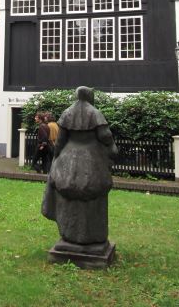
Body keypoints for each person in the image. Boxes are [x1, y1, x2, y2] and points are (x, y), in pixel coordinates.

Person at [42, 87, 118, 246]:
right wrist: (112, 150)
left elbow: (61, 140)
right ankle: (93, 234)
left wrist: (57, 157)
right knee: (93, 196)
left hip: (69, 158)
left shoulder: (67, 113)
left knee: (68, 195)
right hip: (92, 159)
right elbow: (105, 136)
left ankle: (70, 233)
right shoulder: (95, 113)